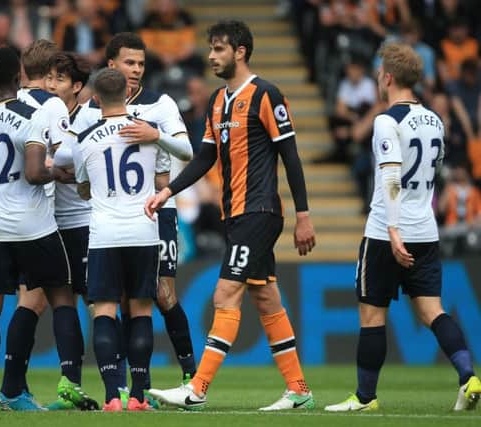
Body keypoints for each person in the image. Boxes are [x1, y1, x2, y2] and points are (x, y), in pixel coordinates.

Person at [146, 20, 316, 411]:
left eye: (218, 48)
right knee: (266, 297)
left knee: (225, 293)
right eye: (210, 48)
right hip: (235, 214)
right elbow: (204, 157)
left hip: (259, 211)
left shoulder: (266, 94)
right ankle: (299, 389)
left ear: (240, 51)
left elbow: (290, 156)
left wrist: (304, 215)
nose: (210, 55)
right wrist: (168, 190)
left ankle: (197, 388)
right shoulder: (218, 100)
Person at [324, 42, 481, 412]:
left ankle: (366, 398)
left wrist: (393, 230)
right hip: (425, 229)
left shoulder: (386, 120)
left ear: (388, 77)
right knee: (432, 311)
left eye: (380, 72)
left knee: (372, 314)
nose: (379, 77)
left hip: (385, 231)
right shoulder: (435, 120)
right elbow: (433, 172)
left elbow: (392, 176)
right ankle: (467, 375)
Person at [0, 47, 85, 412]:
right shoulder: (32, 113)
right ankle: (70, 379)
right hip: (35, 225)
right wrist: (58, 173)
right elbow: (33, 171)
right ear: (18, 76)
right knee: (61, 298)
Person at [75, 32, 195, 407]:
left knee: (160, 294)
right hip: (127, 216)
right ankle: (131, 388)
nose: (137, 70)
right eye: (130, 63)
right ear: (112, 65)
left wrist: (155, 134)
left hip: (157, 211)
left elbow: (185, 151)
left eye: (141, 63)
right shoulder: (91, 109)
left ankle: (191, 374)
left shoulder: (159, 104)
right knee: (128, 301)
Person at [0, 39, 95, 411]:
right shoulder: (51, 105)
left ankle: (10, 388)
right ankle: (67, 383)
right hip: (44, 220)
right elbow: (61, 157)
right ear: (50, 73)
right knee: (63, 298)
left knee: (31, 300)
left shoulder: (8, 105)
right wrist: (78, 175)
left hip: (5, 217)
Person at [72, 67, 169, 412]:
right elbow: (161, 180)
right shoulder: (148, 133)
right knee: (141, 311)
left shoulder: (85, 139)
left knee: (105, 312)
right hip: (144, 231)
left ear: (95, 99)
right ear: (126, 95)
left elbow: (83, 188)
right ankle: (139, 397)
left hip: (104, 234)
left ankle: (113, 395)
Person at [43, 51, 100, 411]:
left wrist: (57, 165)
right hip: (52, 225)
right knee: (62, 302)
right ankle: (71, 384)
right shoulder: (44, 115)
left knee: (101, 304)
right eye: (48, 77)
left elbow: (87, 164)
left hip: (87, 223)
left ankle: (122, 386)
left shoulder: (93, 117)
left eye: (59, 79)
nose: (50, 85)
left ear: (77, 87)